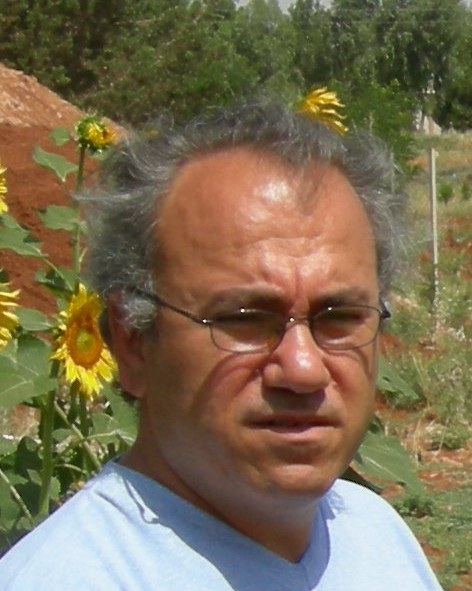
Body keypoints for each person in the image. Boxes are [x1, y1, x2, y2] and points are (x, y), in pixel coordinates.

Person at [0, 101, 443, 590]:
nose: (303, 369)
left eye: (340, 318)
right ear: (133, 342)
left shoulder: (374, 536)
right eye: (245, 320)